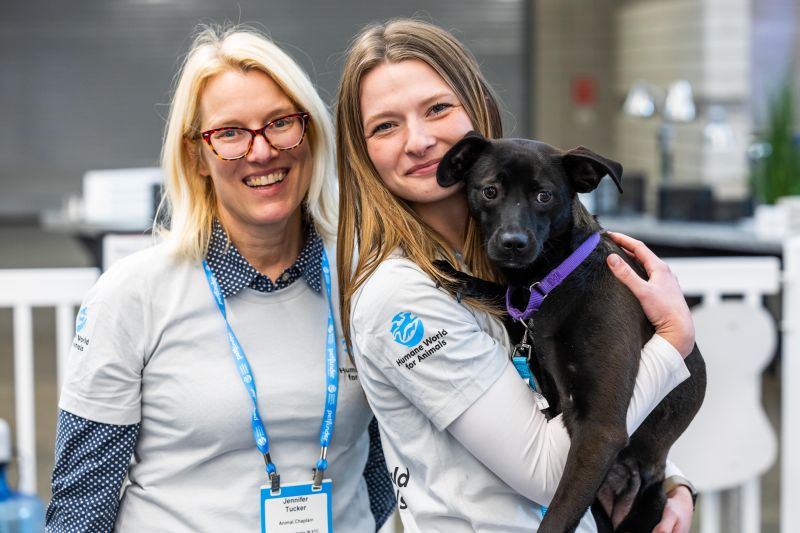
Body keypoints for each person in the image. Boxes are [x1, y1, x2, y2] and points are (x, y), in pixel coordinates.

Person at [336, 18, 697, 533]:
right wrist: (673, 340)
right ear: (363, 150)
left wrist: (663, 477)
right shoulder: (404, 297)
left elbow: (591, 394)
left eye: (437, 109)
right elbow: (553, 474)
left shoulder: (519, 266)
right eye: (385, 125)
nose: (417, 141)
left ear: (477, 111)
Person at [46, 25, 394, 532]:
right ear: (197, 157)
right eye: (230, 132)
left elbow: (384, 464)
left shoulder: (366, 280)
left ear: (310, 133)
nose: (261, 152)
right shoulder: (133, 295)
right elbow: (82, 507)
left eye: (280, 123)